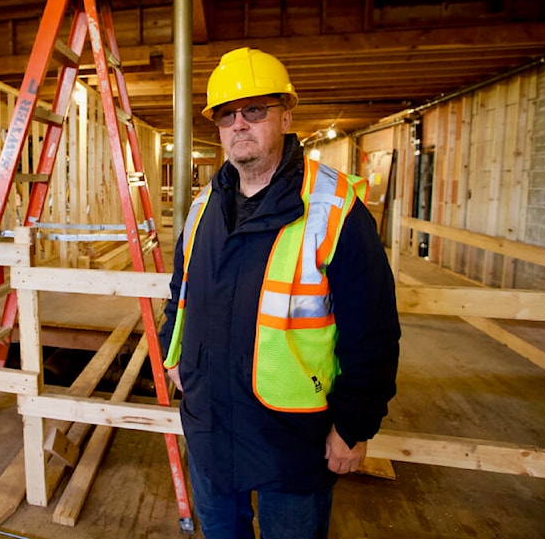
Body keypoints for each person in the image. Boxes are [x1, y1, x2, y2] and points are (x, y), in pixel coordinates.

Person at [159, 47, 400, 539]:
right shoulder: (204, 205)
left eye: (254, 110)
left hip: (292, 440)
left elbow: (373, 330)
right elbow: (179, 292)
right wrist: (172, 355)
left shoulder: (333, 208)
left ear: (287, 115)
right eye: (227, 114)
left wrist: (353, 427)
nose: (239, 124)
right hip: (209, 427)